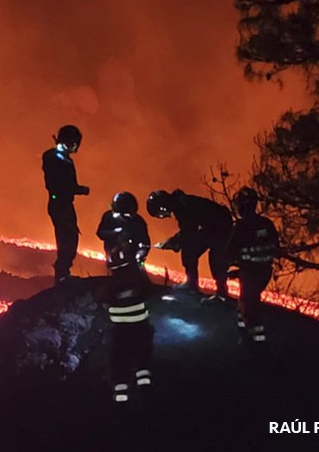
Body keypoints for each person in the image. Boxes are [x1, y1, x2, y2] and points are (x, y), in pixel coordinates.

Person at [96, 192, 154, 404]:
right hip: (139, 325)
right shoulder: (110, 218)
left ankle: (123, 396)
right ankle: (144, 387)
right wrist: (117, 231)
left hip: (119, 329)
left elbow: (145, 241)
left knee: (119, 357)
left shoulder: (137, 222)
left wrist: (140, 255)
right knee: (141, 353)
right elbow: (101, 233)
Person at [147, 189, 233, 301]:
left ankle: (211, 289)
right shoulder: (181, 204)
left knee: (212, 256)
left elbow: (188, 232)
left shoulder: (183, 207)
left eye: (160, 214)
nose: (162, 216)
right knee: (192, 250)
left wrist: (173, 242)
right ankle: (198, 285)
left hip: (221, 227)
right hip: (212, 227)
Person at [226, 187, 280, 343]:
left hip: (250, 273)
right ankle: (244, 334)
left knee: (249, 307)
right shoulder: (267, 224)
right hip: (264, 273)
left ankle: (257, 341)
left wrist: (235, 265)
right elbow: (274, 248)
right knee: (244, 301)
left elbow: (229, 252)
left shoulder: (241, 227)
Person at [42, 124, 89, 284]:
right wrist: (80, 189)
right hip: (60, 204)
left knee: (69, 239)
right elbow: (60, 184)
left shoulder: (59, 158)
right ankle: (62, 274)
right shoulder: (55, 158)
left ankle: (63, 273)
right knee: (67, 240)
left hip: (62, 204)